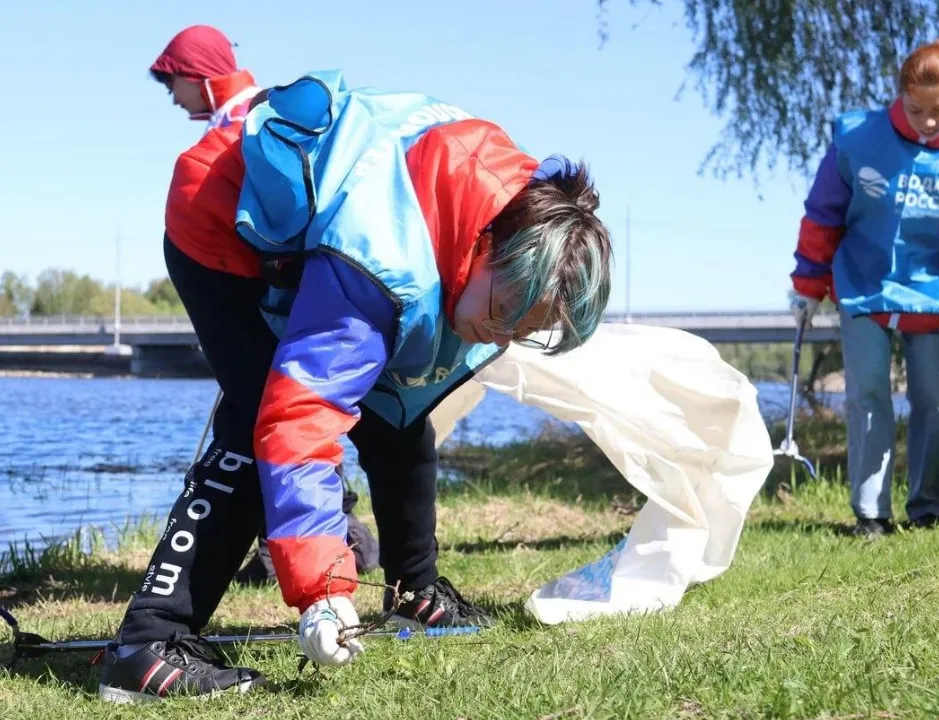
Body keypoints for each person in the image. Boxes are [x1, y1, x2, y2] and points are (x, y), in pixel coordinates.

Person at [97, 69, 612, 702]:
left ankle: (413, 594)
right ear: (484, 247)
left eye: (522, 330)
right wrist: (325, 591)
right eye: (503, 311)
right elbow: (301, 421)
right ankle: (150, 642)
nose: (499, 335)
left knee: (398, 412)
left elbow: (398, 393)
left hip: (327, 237)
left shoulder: (521, 214)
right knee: (260, 416)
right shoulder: (380, 264)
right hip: (220, 225)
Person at [147, 25, 380, 587]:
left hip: (255, 288)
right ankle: (323, 536)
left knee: (264, 412)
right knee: (280, 408)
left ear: (201, 77)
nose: (172, 97)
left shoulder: (238, 125)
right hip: (287, 287)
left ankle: (327, 537)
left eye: (173, 83)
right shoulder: (269, 109)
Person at [790, 37, 939, 538]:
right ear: (899, 96)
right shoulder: (857, 139)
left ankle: (925, 508)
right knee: (867, 393)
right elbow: (823, 216)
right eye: (915, 109)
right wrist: (807, 283)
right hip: (863, 285)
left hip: (935, 291)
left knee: (935, 400)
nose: (928, 121)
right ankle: (871, 514)